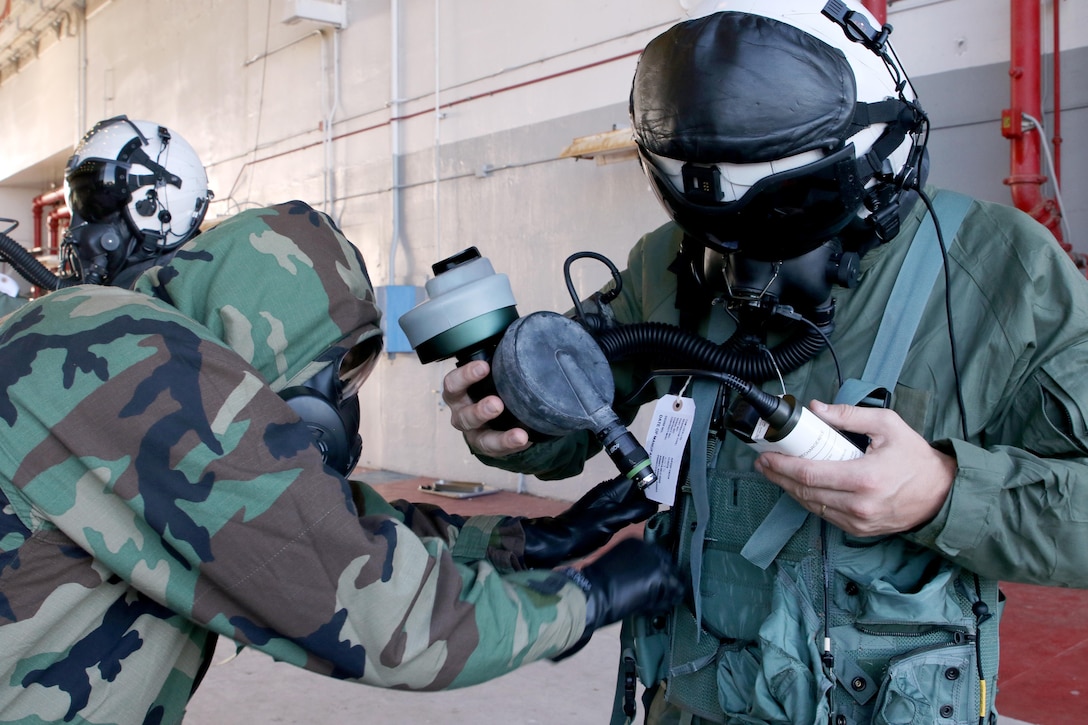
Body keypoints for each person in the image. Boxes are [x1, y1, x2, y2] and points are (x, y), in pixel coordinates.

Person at [442, 1, 1088, 723]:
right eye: (719, 229)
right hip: (685, 698)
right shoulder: (672, 259)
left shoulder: (1001, 271)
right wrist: (507, 421)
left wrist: (943, 492)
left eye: (785, 214)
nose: (744, 262)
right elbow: (575, 418)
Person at [0, 199, 683, 724]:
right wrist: (583, 600)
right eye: (333, 378)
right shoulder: (133, 360)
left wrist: (530, 540)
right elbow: (382, 613)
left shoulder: (110, 337)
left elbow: (320, 524)